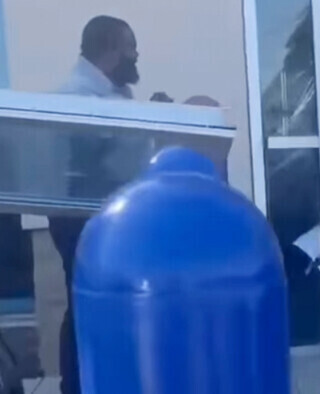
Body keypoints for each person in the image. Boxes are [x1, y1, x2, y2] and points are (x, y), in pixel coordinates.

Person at [52, 15, 143, 394]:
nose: (137, 55)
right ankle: (75, 386)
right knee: (84, 305)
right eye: (131, 46)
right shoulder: (75, 98)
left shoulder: (113, 94)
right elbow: (102, 165)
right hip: (80, 220)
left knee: (111, 305)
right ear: (109, 49)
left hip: (113, 221)